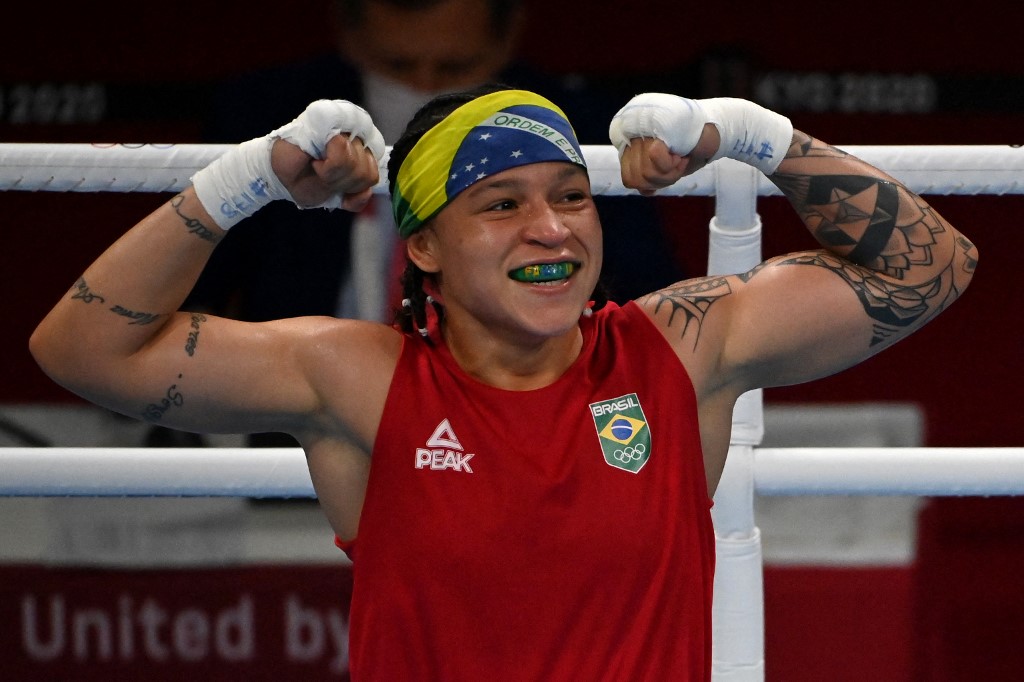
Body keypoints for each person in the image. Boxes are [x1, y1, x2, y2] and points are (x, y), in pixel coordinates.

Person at [29, 86, 977, 679]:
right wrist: (251, 178)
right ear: (425, 248)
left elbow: (931, 269)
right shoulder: (357, 379)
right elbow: (83, 350)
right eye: (502, 205)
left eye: (571, 196)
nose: (553, 228)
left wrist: (749, 135)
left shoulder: (681, 347)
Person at [181, 0, 684, 449]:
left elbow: (646, 310)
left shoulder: (576, 132)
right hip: (297, 451)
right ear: (349, 37)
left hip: (535, 441)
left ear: (506, 39)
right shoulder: (270, 121)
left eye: (453, 68)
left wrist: (728, 133)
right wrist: (254, 175)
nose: (423, 88)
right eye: (398, 67)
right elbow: (180, 303)